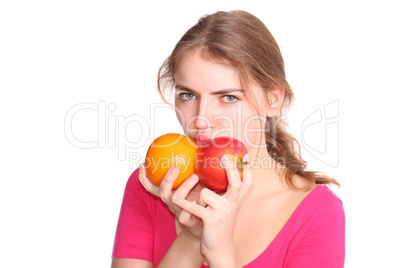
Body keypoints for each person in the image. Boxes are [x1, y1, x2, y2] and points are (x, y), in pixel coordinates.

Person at [111, 10, 345, 268]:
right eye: (188, 95)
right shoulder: (151, 186)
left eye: (229, 97)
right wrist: (191, 238)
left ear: (273, 100)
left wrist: (221, 254)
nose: (200, 120)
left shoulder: (317, 213)